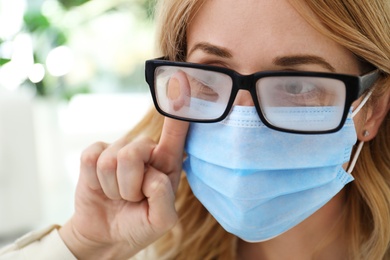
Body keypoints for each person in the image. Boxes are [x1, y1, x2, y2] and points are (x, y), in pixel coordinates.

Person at [1, 0, 390, 259]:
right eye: (213, 75)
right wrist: (87, 245)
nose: (243, 126)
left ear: (372, 109)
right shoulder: (144, 243)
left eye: (296, 85)